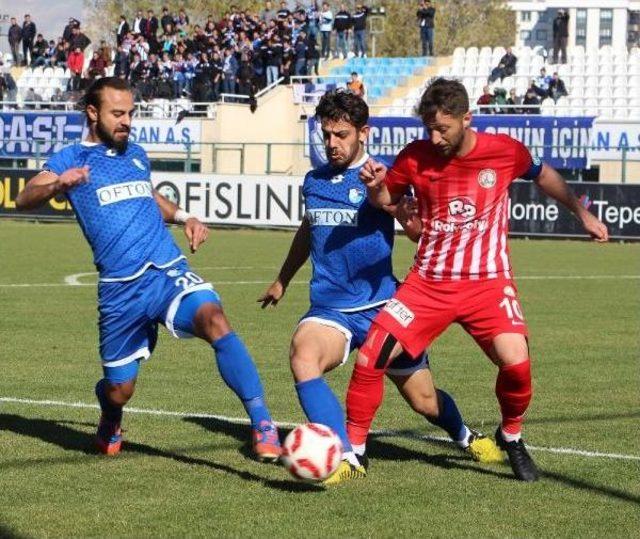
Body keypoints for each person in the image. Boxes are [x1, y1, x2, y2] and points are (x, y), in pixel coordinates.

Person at [346, 78, 608, 482]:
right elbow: (385, 202)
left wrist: (582, 212)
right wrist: (376, 185)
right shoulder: (415, 157)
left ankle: (512, 435)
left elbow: (543, 175)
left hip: (488, 283)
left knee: (517, 365)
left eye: (443, 128)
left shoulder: (504, 152)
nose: (434, 137)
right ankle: (355, 454)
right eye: (428, 129)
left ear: (467, 118)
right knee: (372, 354)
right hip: (428, 284)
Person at [15, 77, 282, 462]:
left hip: (165, 270)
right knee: (120, 389)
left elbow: (147, 196)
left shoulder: (136, 154)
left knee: (215, 319)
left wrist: (185, 216)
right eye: (117, 114)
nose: (126, 122)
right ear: (93, 113)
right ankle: (110, 412)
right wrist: (59, 183)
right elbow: (24, 198)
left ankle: (262, 423)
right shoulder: (70, 158)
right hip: (120, 290)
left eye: (130, 113)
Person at [259, 89, 501, 485]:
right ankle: (343, 456)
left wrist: (398, 210)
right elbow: (309, 229)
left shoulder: (382, 177)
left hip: (383, 307)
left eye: (341, 135)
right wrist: (282, 279)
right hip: (330, 309)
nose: (333, 144)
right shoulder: (314, 180)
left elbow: (415, 228)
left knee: (423, 401)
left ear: (363, 133)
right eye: (327, 135)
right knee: (303, 356)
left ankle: (465, 436)